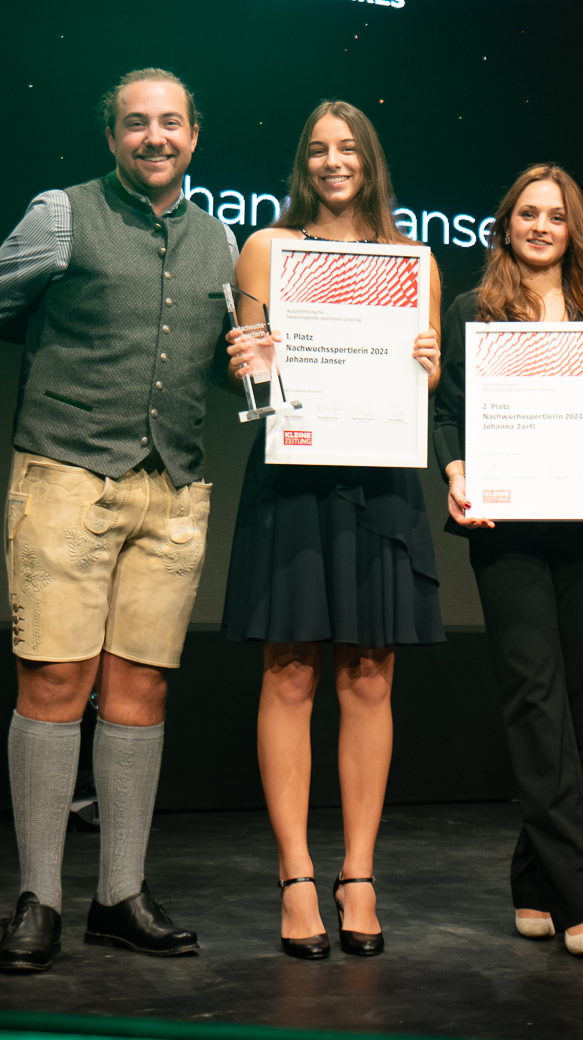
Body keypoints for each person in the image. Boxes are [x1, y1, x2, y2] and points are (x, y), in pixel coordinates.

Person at [0, 68, 237, 968]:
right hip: (65, 476)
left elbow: (210, 367)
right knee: (54, 683)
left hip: (173, 490)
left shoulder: (221, 240)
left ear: (194, 135)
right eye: (136, 123)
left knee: (140, 692)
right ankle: (38, 898)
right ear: (113, 137)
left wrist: (255, 355)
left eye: (170, 122)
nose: (153, 136)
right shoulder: (62, 213)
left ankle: (118, 894)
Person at [219, 101, 443, 960]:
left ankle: (357, 873)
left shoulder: (412, 259)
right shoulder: (268, 250)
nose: (332, 160)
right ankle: (295, 877)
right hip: (294, 478)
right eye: (317, 147)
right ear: (301, 164)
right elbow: (250, 387)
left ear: (370, 161)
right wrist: (251, 362)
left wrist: (427, 369)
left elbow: (421, 381)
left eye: (347, 147)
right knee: (287, 672)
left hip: (379, 480)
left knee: (369, 677)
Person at [435, 164, 583, 958]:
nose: (540, 225)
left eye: (555, 214)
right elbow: (449, 412)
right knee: (533, 695)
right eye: (527, 212)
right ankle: (582, 893)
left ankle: (532, 879)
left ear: (573, 228)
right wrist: (457, 476)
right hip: (510, 530)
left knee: (570, 711)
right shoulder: (471, 311)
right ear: (506, 223)